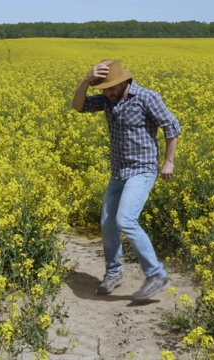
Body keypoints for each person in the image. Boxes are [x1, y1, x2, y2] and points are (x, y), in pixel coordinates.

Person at [72, 59, 181, 300]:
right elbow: (78, 107)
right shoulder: (108, 99)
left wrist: (169, 161)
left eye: (111, 87)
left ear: (124, 82)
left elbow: (171, 126)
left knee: (126, 219)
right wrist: (86, 81)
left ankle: (156, 275)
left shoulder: (147, 97)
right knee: (107, 223)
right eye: (103, 89)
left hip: (142, 169)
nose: (107, 93)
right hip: (119, 171)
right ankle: (114, 273)